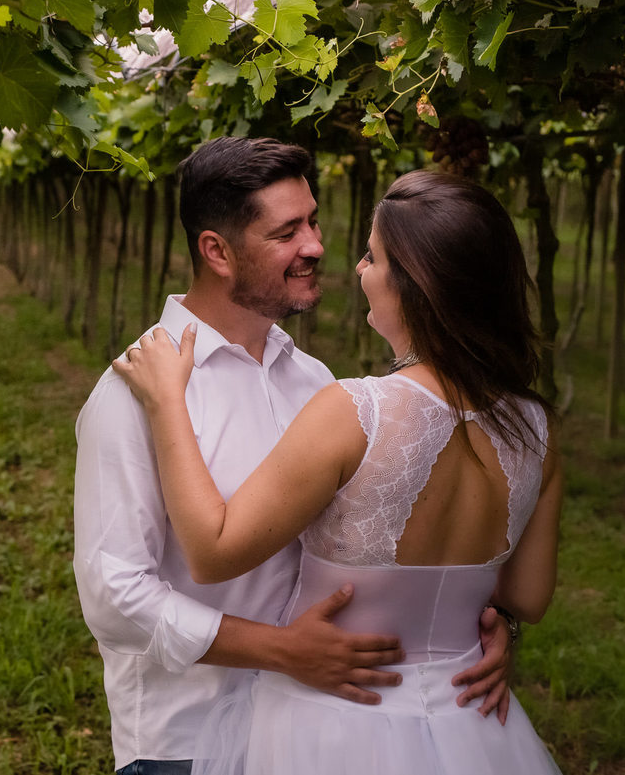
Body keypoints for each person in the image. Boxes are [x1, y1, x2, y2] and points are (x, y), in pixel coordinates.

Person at [73, 138, 512, 775]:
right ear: (217, 251)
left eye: (313, 221)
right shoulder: (135, 392)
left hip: (313, 730)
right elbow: (114, 595)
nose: (315, 246)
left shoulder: (316, 382)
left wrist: (474, 631)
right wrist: (280, 651)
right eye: (286, 232)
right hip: (185, 741)